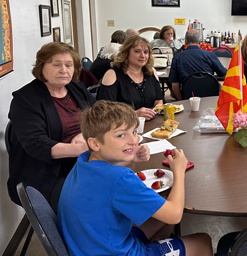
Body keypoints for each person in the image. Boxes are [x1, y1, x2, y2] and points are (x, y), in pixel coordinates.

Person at [57, 100, 212, 256]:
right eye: (121, 135)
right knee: (203, 241)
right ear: (95, 144)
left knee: (160, 218)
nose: (134, 140)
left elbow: (105, 181)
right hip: (116, 251)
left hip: (92, 245)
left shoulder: (83, 161)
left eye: (134, 132)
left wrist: (130, 158)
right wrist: (178, 171)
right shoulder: (119, 179)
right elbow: (175, 215)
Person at [7, 42, 96, 210]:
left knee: (123, 181)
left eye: (69, 65)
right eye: (57, 65)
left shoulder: (76, 88)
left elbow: (98, 115)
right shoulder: (25, 99)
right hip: (46, 173)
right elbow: (37, 144)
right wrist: (83, 149)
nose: (64, 70)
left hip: (83, 162)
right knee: (95, 201)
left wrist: (83, 134)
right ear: (41, 67)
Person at [98, 35, 162, 120]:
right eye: (137, 51)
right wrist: (134, 114)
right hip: (123, 126)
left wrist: (155, 111)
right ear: (126, 53)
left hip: (151, 124)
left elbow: (158, 101)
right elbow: (104, 112)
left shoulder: (151, 72)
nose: (143, 56)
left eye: (146, 52)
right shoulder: (112, 74)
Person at [168, 30, 227, 100]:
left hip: (188, 97)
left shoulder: (177, 58)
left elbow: (174, 86)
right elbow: (225, 75)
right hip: (210, 97)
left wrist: (181, 101)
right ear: (200, 41)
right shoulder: (210, 55)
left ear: (185, 42)